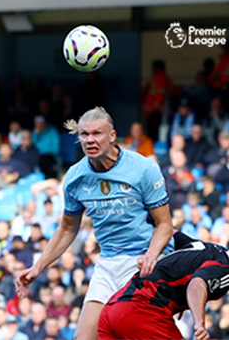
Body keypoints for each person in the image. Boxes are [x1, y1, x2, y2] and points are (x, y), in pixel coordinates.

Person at [15, 107, 174, 340]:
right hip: (108, 262)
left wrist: (151, 255)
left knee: (128, 329)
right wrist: (38, 267)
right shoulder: (75, 177)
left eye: (97, 133)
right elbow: (68, 228)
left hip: (146, 261)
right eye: (84, 134)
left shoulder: (144, 168)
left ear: (112, 136)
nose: (90, 140)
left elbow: (165, 225)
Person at [98, 229, 229, 340]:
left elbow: (170, 230)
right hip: (143, 311)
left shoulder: (205, 248)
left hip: (113, 307)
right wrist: (199, 323)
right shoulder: (225, 271)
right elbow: (197, 284)